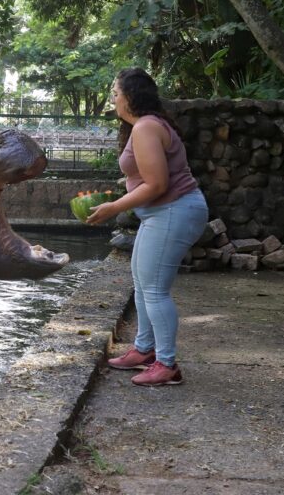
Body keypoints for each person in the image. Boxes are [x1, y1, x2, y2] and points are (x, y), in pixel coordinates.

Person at [86, 67, 208, 387]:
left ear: (130, 97)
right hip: (161, 214)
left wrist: (114, 207)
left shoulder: (146, 127)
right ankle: (144, 349)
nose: (113, 99)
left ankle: (167, 364)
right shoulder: (142, 126)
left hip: (173, 211)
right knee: (142, 284)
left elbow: (156, 184)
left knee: (154, 290)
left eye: (115, 93)